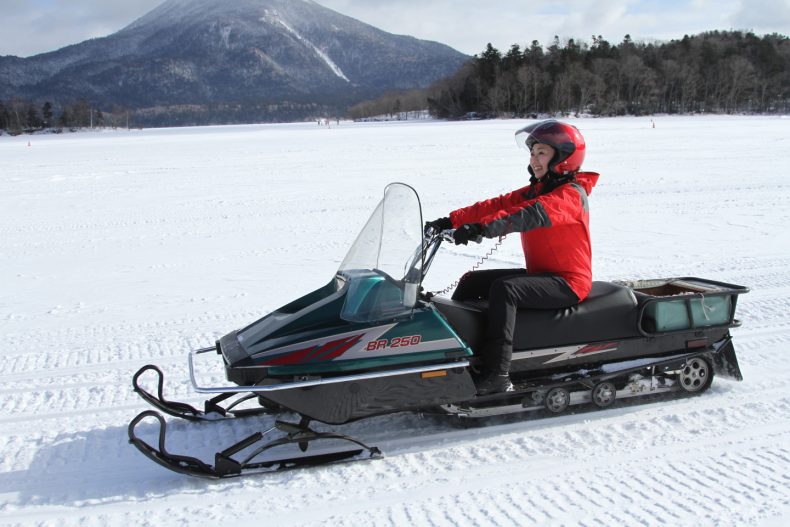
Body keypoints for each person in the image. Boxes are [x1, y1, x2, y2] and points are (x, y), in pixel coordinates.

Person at [426, 120, 600, 395]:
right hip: (541, 274)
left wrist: (481, 229)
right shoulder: (537, 190)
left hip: (568, 282)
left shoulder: (570, 196)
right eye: (532, 153)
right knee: (472, 283)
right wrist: (450, 220)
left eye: (542, 152)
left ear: (564, 158)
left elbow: (527, 214)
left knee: (505, 290)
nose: (534, 160)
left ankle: (497, 373)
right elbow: (498, 205)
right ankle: (465, 352)